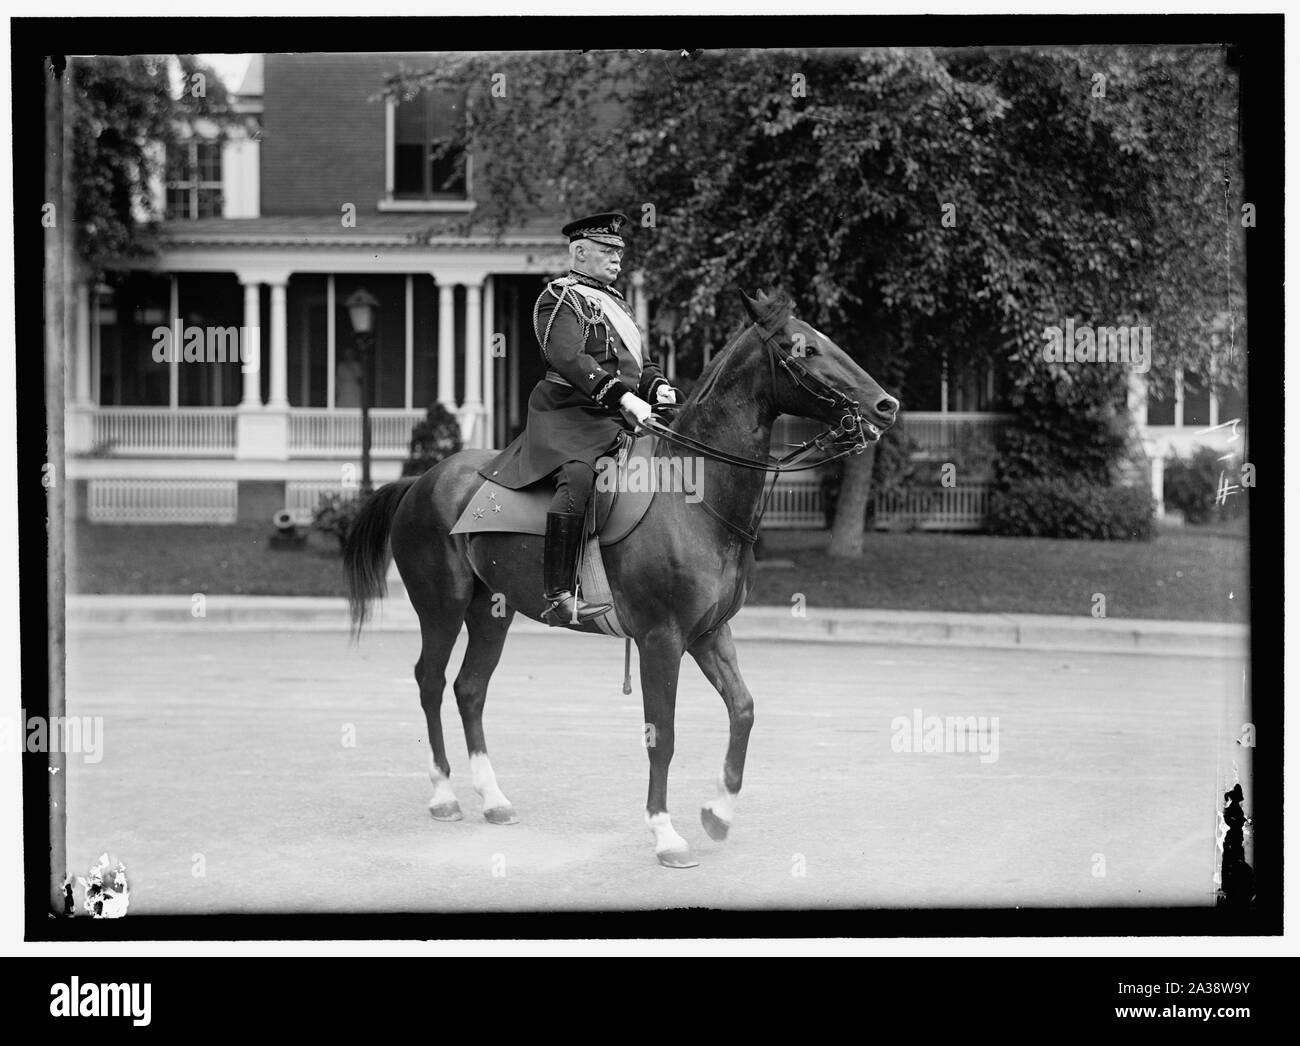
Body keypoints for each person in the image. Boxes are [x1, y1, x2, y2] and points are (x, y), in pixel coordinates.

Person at [481, 211, 679, 625]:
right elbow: (570, 359)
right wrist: (626, 398)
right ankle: (559, 594)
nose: (617, 258)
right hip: (568, 414)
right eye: (607, 250)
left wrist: (657, 387)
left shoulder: (618, 303)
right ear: (580, 252)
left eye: (619, 251)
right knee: (578, 476)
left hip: (615, 414)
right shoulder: (559, 298)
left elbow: (639, 363)